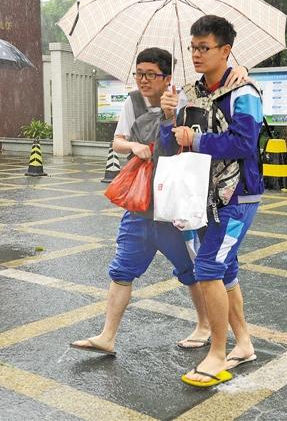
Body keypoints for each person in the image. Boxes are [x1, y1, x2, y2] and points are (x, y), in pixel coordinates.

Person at [70, 48, 249, 355]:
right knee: (121, 270)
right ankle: (107, 335)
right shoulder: (133, 102)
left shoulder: (186, 100)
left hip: (176, 208)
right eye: (139, 73)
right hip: (141, 205)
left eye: (150, 74)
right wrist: (133, 145)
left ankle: (204, 326)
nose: (143, 80)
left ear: (167, 77)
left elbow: (215, 109)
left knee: (195, 272)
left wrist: (241, 71)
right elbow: (118, 140)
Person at [160, 15, 263, 387]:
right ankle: (244, 344)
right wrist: (168, 115)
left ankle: (218, 352)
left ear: (226, 50)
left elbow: (244, 143)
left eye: (204, 48)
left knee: (208, 268)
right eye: (193, 47)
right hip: (203, 195)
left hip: (238, 197)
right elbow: (172, 143)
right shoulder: (189, 93)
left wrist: (198, 139)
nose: (196, 54)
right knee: (225, 270)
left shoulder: (244, 92)